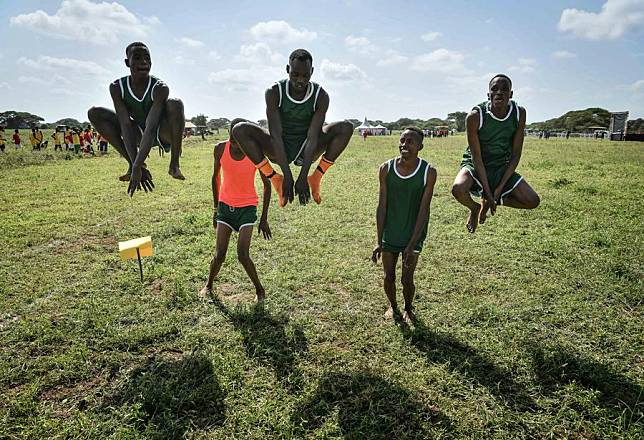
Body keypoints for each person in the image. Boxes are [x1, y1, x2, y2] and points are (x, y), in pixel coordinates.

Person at [232, 49, 353, 207]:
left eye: (305, 75)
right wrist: (287, 176)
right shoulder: (274, 92)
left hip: (307, 148)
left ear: (312, 72)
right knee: (240, 129)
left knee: (346, 128)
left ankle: (315, 177)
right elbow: (275, 136)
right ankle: (275, 177)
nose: (300, 80)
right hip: (279, 147)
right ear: (287, 69)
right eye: (295, 74)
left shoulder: (320, 96)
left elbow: (313, 137)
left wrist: (303, 177)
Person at [87, 41, 186, 196]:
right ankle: (130, 162)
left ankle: (174, 164)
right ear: (127, 63)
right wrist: (136, 164)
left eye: (147, 58)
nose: (143, 62)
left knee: (175, 104)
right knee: (94, 113)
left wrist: (137, 165)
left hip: (161, 132)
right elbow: (125, 125)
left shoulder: (159, 88)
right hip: (137, 133)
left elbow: (151, 127)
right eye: (137, 58)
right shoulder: (117, 87)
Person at [451, 74, 540, 233]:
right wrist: (487, 190)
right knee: (458, 188)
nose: (499, 92)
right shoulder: (475, 116)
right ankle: (474, 208)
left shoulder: (519, 113)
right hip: (475, 164)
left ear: (511, 94)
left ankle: (492, 201)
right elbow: (476, 157)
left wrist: (497, 192)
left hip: (501, 165)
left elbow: (516, 154)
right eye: (495, 89)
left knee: (532, 201)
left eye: (505, 89)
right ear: (488, 94)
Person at [200, 119, 272, 303]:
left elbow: (267, 184)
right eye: (233, 142)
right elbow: (215, 178)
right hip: (225, 208)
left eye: (241, 144)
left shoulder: (255, 153)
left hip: (247, 208)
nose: (237, 147)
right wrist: (216, 209)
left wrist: (264, 218)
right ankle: (208, 285)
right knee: (219, 255)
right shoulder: (219, 149)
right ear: (230, 138)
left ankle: (260, 290)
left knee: (242, 255)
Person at [372, 127, 437, 324]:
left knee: (407, 279)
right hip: (390, 231)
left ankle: (409, 308)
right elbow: (382, 205)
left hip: (413, 233)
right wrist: (379, 240)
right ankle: (393, 306)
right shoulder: (386, 168)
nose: (404, 145)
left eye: (410, 142)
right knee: (388, 276)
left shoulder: (429, 172)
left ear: (420, 146)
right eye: (402, 140)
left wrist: (412, 244)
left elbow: (424, 210)